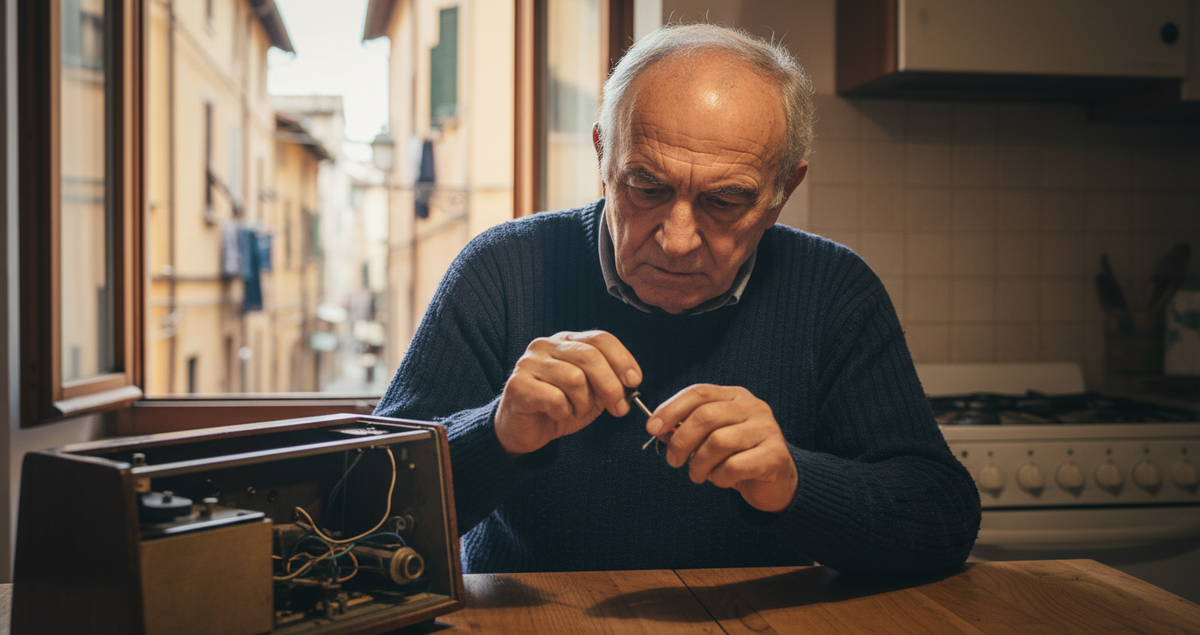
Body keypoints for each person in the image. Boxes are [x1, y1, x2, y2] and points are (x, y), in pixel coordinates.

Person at [375, 23, 981, 576]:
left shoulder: (834, 292)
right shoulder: (501, 270)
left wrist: (794, 484)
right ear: (602, 156)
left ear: (782, 193)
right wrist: (497, 433)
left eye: (725, 201)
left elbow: (942, 521)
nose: (678, 240)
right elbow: (358, 506)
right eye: (646, 186)